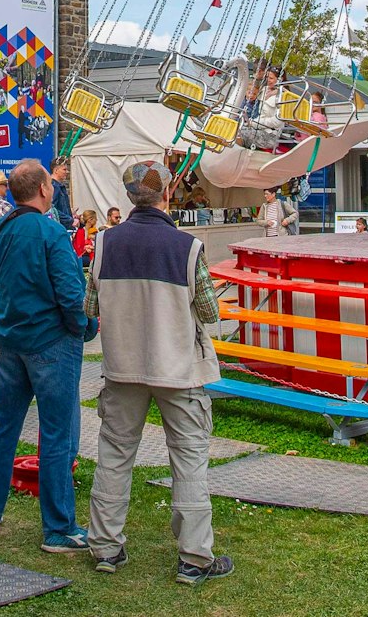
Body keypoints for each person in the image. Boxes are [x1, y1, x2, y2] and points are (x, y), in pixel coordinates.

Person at [86, 160, 233, 585]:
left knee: (114, 457)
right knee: (188, 461)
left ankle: (106, 547)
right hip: (178, 368)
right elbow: (208, 311)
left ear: (129, 196)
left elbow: (90, 309)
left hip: (122, 367)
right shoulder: (186, 247)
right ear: (167, 194)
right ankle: (194, 558)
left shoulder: (104, 245)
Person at [0, 159, 94, 553]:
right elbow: (72, 294)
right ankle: (59, 528)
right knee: (56, 433)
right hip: (51, 344)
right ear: (44, 189)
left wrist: (4, 321)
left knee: (2, 423)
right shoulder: (51, 232)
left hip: (10, 342)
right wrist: (85, 328)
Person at [49, 158, 75, 230]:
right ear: (56, 170)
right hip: (59, 228)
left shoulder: (58, 186)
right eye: (64, 169)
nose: (67, 172)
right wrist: (70, 220)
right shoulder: (54, 186)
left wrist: (70, 213)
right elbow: (51, 209)